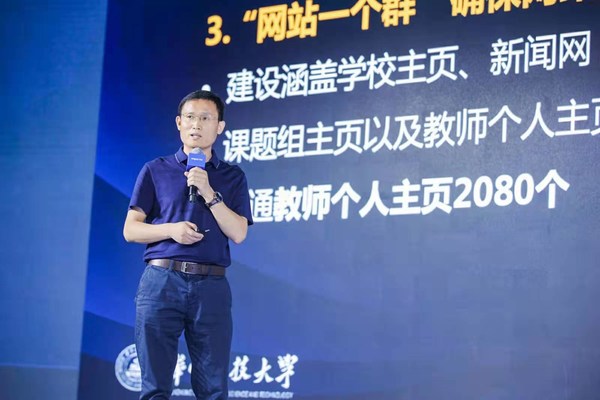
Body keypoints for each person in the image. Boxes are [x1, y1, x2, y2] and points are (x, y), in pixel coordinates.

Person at [123, 90, 253, 400]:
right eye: (191, 117)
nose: (197, 124)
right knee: (155, 388)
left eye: (206, 118)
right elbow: (131, 229)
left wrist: (209, 193)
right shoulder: (155, 170)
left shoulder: (232, 176)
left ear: (219, 127)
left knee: (213, 389)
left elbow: (239, 233)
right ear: (179, 123)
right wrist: (171, 230)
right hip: (161, 282)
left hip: (211, 286)